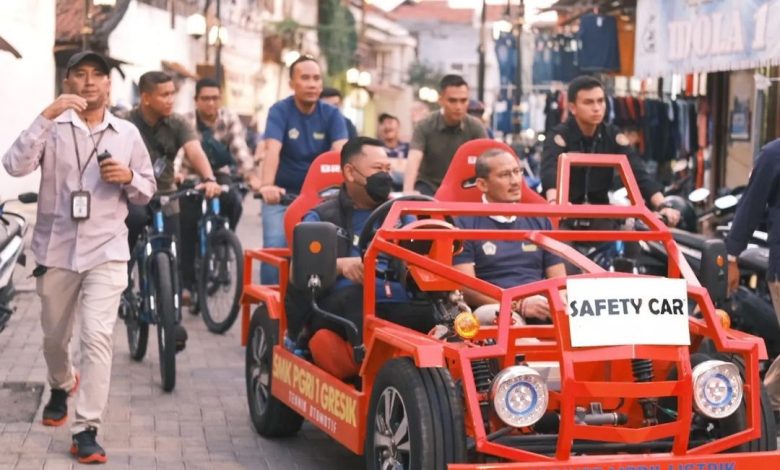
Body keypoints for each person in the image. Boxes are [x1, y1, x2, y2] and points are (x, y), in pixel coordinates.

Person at [2, 51, 156, 464]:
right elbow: (14, 166)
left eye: (97, 76)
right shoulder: (52, 127)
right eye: (80, 75)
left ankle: (87, 428)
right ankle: (61, 382)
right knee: (54, 337)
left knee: (97, 337)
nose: (89, 83)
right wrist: (44, 114)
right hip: (55, 248)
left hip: (106, 249)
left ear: (109, 85)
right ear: (68, 82)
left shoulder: (126, 133)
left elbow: (147, 187)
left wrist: (129, 178)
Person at [285, 137, 436, 349]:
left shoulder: (402, 214)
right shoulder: (321, 216)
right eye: (377, 168)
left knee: (439, 311)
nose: (385, 175)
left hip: (396, 299)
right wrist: (340, 265)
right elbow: (297, 272)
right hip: (337, 304)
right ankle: (364, 365)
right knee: (359, 297)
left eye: (387, 168)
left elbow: (419, 257)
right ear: (350, 173)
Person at [124, 71, 221, 337]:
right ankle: (123, 287)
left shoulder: (178, 123)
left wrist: (209, 178)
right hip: (132, 195)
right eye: (164, 94)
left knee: (172, 254)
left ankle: (172, 317)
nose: (170, 100)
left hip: (166, 195)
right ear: (145, 98)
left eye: (172, 94)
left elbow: (194, 150)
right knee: (128, 241)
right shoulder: (125, 122)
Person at [540, 75, 681, 227]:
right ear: (572, 108)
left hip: (600, 213)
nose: (596, 108)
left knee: (633, 237)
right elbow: (550, 172)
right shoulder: (559, 136)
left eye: (600, 101)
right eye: (588, 102)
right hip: (565, 216)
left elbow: (637, 172)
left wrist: (662, 206)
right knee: (559, 248)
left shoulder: (612, 135)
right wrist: (555, 203)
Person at [258, 56, 348, 284]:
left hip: (322, 198)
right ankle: (270, 309)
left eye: (316, 78)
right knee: (275, 247)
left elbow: (342, 155)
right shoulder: (280, 111)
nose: (312, 84)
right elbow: (272, 150)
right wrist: (267, 185)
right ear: (291, 83)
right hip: (282, 195)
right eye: (305, 78)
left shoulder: (332, 114)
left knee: (334, 250)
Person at [453, 149, 566, 324]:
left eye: (517, 172)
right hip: (495, 308)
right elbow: (468, 289)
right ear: (482, 185)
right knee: (509, 320)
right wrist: (518, 305)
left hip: (540, 304)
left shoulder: (540, 220)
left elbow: (559, 281)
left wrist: (560, 303)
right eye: (505, 175)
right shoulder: (463, 224)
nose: (515, 181)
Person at [725, 138, 780, 417]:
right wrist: (732, 257)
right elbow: (751, 206)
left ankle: (764, 405)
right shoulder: (773, 154)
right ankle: (763, 407)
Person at [179, 77, 259, 229]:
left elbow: (239, 148)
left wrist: (250, 175)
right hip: (189, 174)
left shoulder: (229, 118)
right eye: (205, 98)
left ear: (220, 100)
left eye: (215, 98)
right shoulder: (185, 120)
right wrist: (176, 174)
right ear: (196, 100)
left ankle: (225, 238)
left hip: (218, 174)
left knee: (234, 202)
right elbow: (178, 153)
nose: (211, 103)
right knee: (186, 217)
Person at [404, 74, 487, 196]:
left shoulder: (476, 127)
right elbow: (414, 157)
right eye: (452, 100)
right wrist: (408, 191)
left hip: (463, 187)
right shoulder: (424, 125)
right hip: (429, 187)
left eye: (463, 100)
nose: (458, 106)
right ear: (441, 100)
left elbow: (488, 161)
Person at [377, 113, 409, 189]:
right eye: (383, 123)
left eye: (390, 122)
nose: (387, 126)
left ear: (398, 126)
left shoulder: (408, 148)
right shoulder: (375, 148)